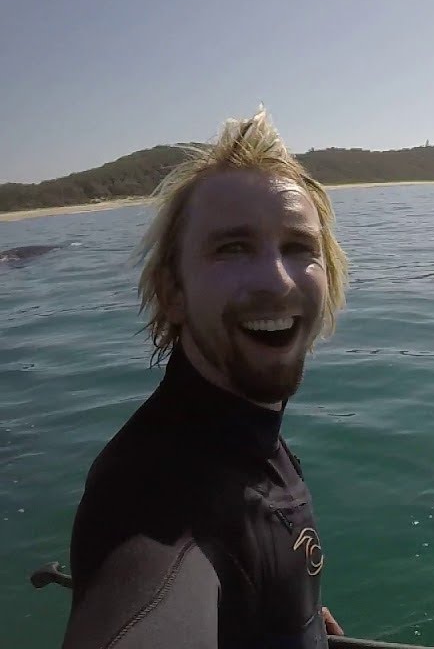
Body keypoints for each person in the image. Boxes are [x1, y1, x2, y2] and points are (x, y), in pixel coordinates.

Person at [60, 110, 350, 649]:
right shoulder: (153, 502)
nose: (277, 280)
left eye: (298, 248)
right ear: (173, 293)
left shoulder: (243, 434)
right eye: (232, 248)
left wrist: (290, 616)